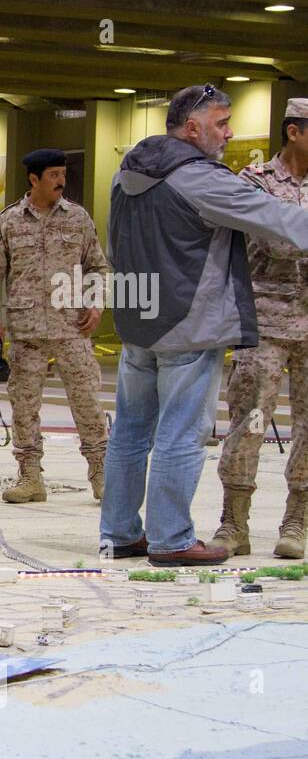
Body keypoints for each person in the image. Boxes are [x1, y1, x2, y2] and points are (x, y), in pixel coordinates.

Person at [101, 84, 308, 566]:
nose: (229, 133)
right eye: (221, 124)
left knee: (131, 432)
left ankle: (120, 532)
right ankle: (171, 539)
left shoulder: (125, 172)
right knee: (181, 434)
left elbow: (116, 244)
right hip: (188, 325)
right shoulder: (199, 178)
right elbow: (276, 219)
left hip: (138, 321)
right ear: (192, 128)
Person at [0, 148, 111, 503]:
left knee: (87, 403)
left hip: (72, 328)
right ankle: (30, 477)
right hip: (27, 333)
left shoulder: (78, 218)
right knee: (23, 405)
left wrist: (97, 305)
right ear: (33, 179)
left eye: (63, 174)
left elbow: (99, 267)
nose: (61, 181)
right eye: (53, 175)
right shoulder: (9, 221)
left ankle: (101, 474)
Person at [213, 98, 308, 557]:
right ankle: (234, 523)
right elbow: (275, 244)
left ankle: (297, 522)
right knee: (249, 422)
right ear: (294, 131)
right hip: (265, 323)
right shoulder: (255, 182)